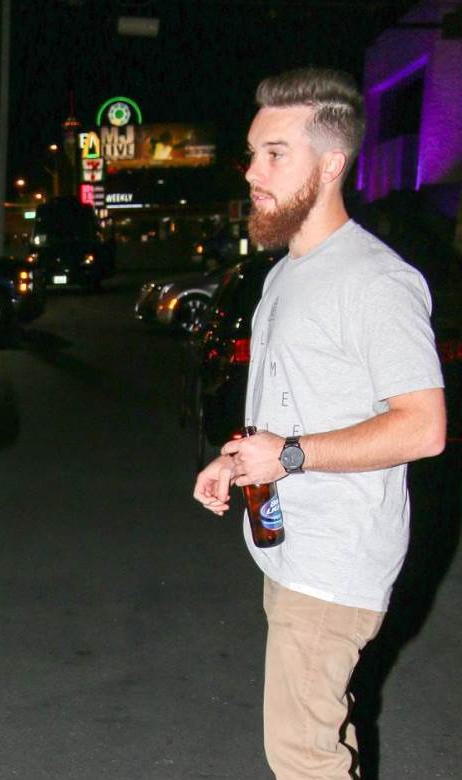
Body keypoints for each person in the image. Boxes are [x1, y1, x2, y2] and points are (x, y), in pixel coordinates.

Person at [192, 69, 446, 779]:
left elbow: (423, 427)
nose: (252, 172)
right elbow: (291, 410)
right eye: (253, 153)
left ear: (331, 164)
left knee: (302, 755)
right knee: (323, 736)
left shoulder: (376, 281)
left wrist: (291, 456)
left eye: (275, 154)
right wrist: (238, 458)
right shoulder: (285, 273)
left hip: (336, 560)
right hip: (289, 545)